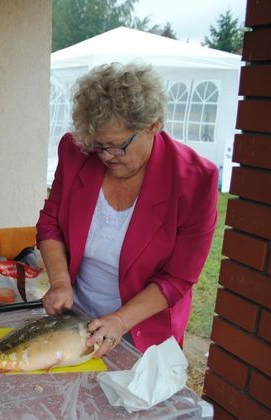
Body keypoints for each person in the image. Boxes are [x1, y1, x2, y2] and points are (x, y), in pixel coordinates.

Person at [36, 63, 218, 356]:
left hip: (144, 329)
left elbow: (178, 278)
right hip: (77, 316)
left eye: (117, 146)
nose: (106, 156)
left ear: (153, 125)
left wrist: (120, 321)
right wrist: (59, 283)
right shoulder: (76, 151)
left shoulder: (195, 180)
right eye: (99, 146)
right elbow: (50, 224)